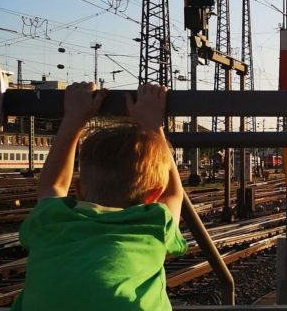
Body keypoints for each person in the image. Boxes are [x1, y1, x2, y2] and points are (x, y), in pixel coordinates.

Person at [13, 82, 186, 310]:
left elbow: (51, 186)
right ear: (154, 195)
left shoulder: (50, 219)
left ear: (79, 190)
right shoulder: (155, 222)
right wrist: (153, 125)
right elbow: (174, 195)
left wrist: (74, 119)